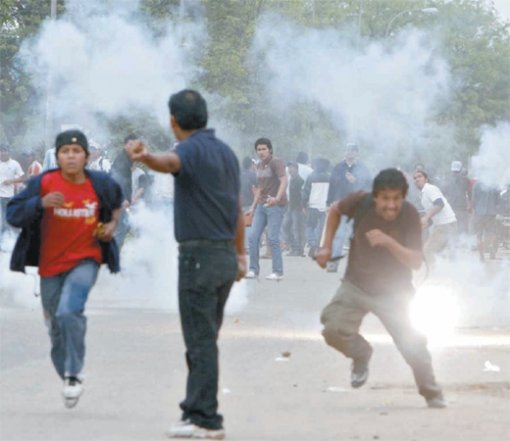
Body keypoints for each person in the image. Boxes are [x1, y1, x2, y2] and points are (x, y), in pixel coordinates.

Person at [124, 89, 245, 440]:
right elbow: (237, 208)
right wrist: (241, 255)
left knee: (201, 341)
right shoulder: (226, 154)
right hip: (224, 255)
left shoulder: (187, 150)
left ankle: (207, 419)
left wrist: (145, 156)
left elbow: (168, 163)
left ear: (173, 121)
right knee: (205, 337)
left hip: (199, 260)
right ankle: (194, 409)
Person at [6, 129, 122, 408]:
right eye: (65, 152)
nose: (71, 156)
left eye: (76, 151)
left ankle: (73, 373)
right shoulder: (44, 182)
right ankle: (67, 372)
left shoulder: (100, 183)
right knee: (54, 324)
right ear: (57, 156)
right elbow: (13, 213)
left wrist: (112, 225)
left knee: (70, 310)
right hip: (49, 265)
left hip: (86, 259)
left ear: (85, 155)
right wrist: (40, 203)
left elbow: (117, 202)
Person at [316, 168, 445, 409]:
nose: (391, 205)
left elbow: (416, 261)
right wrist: (326, 247)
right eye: (385, 199)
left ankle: (431, 391)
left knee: (413, 345)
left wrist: (389, 242)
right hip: (356, 284)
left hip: (394, 291)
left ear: (404, 197)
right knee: (332, 327)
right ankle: (361, 354)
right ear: (375, 197)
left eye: (397, 198)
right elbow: (334, 210)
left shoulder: (408, 216)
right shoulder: (360, 202)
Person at [245, 137, 288, 281]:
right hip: (262, 205)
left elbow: (284, 180)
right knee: (253, 237)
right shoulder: (259, 166)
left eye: (264, 149)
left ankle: (277, 271)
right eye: (258, 149)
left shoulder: (276, 162)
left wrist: (276, 198)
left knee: (273, 238)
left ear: (270, 149)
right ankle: (253, 269)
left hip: (275, 205)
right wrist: (252, 207)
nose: (261, 152)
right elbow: (259, 189)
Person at [326, 143, 371, 272]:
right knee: (338, 235)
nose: (349, 152)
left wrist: (355, 181)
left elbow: (369, 185)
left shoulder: (362, 168)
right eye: (347, 150)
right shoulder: (338, 167)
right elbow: (332, 185)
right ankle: (333, 263)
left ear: (357, 153)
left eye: (352, 150)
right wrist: (329, 202)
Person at [413, 170, 457, 266]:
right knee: (443, 254)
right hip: (445, 225)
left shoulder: (429, 189)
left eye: (419, 176)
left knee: (428, 250)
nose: (417, 179)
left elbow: (439, 204)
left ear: (426, 179)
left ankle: (432, 274)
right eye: (415, 178)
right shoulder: (424, 194)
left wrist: (426, 217)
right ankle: (446, 273)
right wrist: (424, 225)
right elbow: (433, 217)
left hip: (445, 225)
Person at [302, 157, 330, 257]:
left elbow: (306, 192)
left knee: (310, 226)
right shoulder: (330, 177)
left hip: (313, 205)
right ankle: (318, 246)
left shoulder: (311, 176)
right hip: (325, 207)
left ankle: (312, 243)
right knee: (321, 228)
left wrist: (303, 205)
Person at [472, 180, 500, 260]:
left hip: (479, 213)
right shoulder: (495, 184)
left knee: (479, 234)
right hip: (491, 213)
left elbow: (473, 200)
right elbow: (498, 201)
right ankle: (491, 248)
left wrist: (474, 210)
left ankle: (481, 255)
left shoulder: (477, 184)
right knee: (491, 232)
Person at [281, 161, 305, 256]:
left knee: (297, 228)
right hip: (290, 207)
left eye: (292, 167)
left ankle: (298, 249)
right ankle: (293, 247)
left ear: (296, 168)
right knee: (286, 226)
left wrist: (302, 206)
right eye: (289, 168)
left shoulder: (300, 180)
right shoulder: (291, 179)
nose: (290, 170)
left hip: (297, 208)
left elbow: (302, 195)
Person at [0, 144, 25, 236]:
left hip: (8, 196)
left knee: (7, 218)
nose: (2, 153)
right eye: (1, 151)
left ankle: (9, 238)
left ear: (8, 152)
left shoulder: (14, 164)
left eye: (4, 151)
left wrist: (11, 181)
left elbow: (22, 178)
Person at [443, 161, 471, 236]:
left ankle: (453, 244)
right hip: (462, 207)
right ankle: (463, 243)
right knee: (463, 227)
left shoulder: (447, 180)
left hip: (451, 207)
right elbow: (469, 193)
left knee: (452, 227)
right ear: (461, 169)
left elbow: (443, 193)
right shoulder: (465, 180)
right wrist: (469, 205)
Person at [240, 156, 257, 252]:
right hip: (249, 204)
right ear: (251, 165)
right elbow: (259, 188)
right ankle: (248, 247)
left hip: (239, 203)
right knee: (249, 226)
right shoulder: (253, 175)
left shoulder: (237, 174)